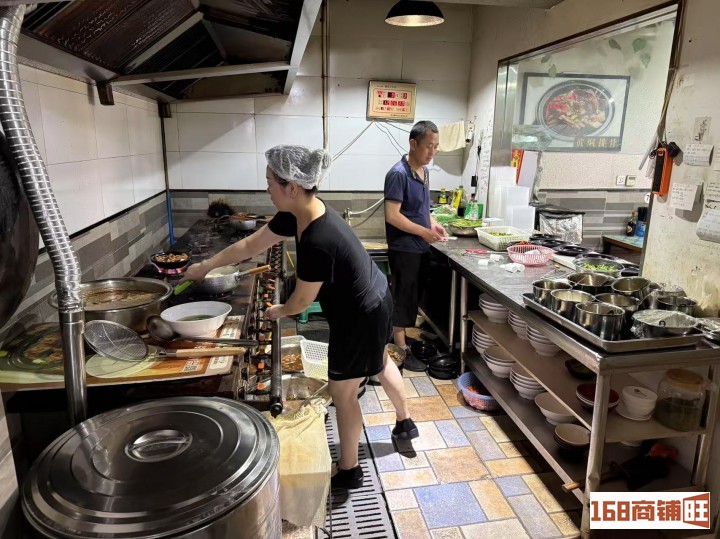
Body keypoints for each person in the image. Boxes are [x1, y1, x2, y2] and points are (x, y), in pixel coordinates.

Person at [183, 145, 418, 490]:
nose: (267, 188)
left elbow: (302, 300)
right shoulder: (298, 212)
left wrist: (279, 310)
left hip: (361, 313)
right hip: (375, 296)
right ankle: (405, 423)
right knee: (379, 362)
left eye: (270, 182)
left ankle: (350, 470)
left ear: (291, 187)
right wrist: (205, 266)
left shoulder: (318, 237)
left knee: (343, 392)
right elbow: (250, 245)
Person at [384, 121, 447, 365]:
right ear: (413, 144)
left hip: (420, 247)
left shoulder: (424, 171)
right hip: (404, 248)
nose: (433, 152)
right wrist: (422, 231)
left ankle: (402, 338)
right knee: (403, 297)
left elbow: (422, 209)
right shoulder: (398, 174)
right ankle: (400, 349)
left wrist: (433, 223)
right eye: (429, 146)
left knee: (413, 296)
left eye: (436, 147)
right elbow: (392, 216)